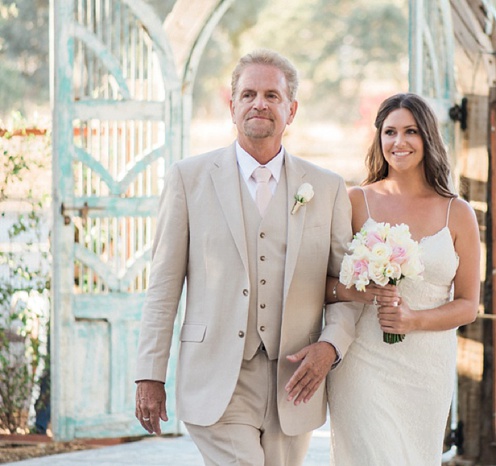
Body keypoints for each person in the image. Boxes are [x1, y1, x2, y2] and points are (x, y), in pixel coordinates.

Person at [134, 49, 360, 466]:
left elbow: (346, 289)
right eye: (249, 93)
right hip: (216, 373)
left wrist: (330, 347)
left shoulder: (327, 188)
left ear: (291, 110)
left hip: (294, 378)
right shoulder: (189, 178)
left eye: (272, 96)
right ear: (232, 105)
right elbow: (163, 285)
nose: (260, 103)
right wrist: (150, 372)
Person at [326, 92, 480, 465]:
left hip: (426, 371)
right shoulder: (355, 202)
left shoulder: (457, 213)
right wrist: (359, 292)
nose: (399, 142)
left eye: (411, 131)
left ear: (428, 138)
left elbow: (467, 306)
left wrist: (414, 320)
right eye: (390, 132)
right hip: (364, 362)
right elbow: (324, 282)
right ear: (379, 139)